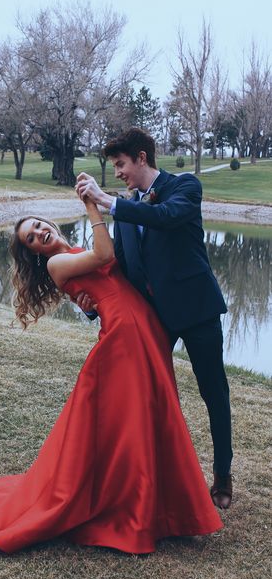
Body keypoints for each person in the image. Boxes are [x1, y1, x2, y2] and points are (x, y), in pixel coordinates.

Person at [0, 198, 223, 554]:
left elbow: (114, 267)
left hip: (146, 329)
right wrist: (92, 205)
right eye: (31, 238)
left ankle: (161, 506)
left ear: (46, 220)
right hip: (124, 336)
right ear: (34, 251)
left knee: (154, 414)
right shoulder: (58, 263)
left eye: (36, 225)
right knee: (131, 423)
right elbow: (105, 256)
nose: (39, 233)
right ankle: (135, 511)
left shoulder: (72, 251)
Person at [75, 127, 233, 510]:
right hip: (156, 320)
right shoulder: (126, 211)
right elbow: (124, 269)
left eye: (122, 164)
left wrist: (105, 200)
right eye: (115, 167)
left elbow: (165, 217)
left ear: (142, 158)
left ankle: (223, 475)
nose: (119, 173)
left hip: (197, 311)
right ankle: (155, 478)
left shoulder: (185, 187)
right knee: (148, 395)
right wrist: (92, 303)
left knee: (214, 392)